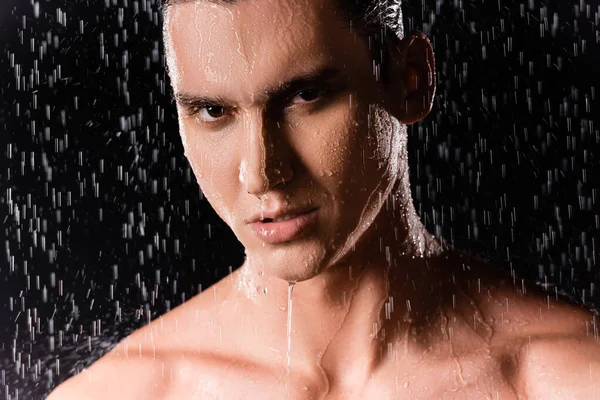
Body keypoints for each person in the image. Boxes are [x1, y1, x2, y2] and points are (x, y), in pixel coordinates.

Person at [48, 0, 600, 398]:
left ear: (409, 81)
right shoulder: (125, 391)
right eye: (214, 111)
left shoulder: (570, 377)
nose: (262, 172)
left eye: (306, 95)